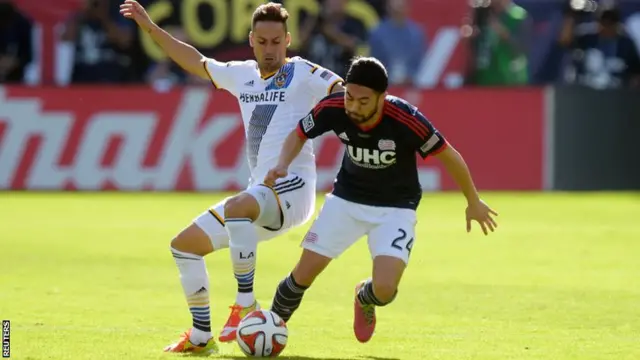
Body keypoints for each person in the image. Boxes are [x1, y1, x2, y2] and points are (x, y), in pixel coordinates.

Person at [119, 0, 344, 354]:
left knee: (239, 206)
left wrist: (326, 122)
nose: (270, 50)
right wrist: (149, 26)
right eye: (263, 42)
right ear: (251, 40)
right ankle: (200, 336)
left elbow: (342, 92)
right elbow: (195, 60)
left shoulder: (303, 72)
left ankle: (245, 304)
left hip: (294, 190)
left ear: (287, 40)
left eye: (276, 42)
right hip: (259, 194)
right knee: (184, 246)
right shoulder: (241, 74)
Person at [263, 57, 498, 343]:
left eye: (363, 101)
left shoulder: (405, 119)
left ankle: (365, 297)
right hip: (345, 201)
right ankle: (269, 329)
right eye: (350, 96)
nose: (354, 106)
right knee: (302, 275)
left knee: (386, 289)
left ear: (382, 97)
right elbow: (299, 134)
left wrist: (472, 200)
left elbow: (449, 155)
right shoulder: (334, 107)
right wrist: (283, 164)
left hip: (396, 208)